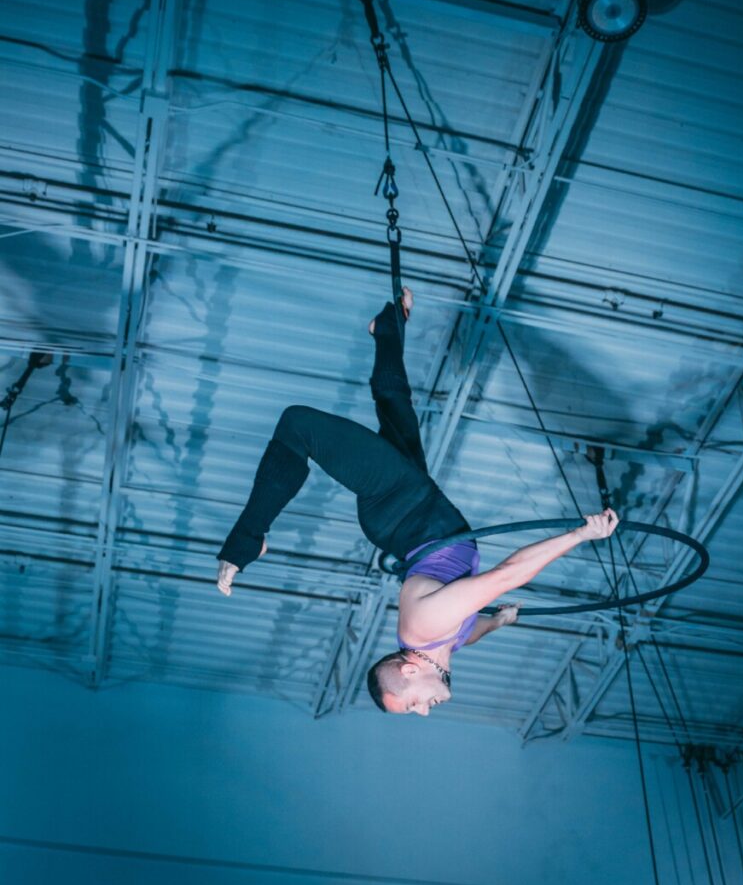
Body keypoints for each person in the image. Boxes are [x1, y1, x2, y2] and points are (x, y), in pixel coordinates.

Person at [216, 289, 619, 715]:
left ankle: (247, 541)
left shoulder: (425, 627)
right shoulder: (447, 640)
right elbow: (473, 630)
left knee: (297, 426)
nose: (424, 711)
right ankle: (387, 330)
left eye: (411, 705)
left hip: (398, 507)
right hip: (420, 512)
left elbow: (507, 575)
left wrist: (580, 535)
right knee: (396, 408)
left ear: (409, 671)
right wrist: (500, 621)